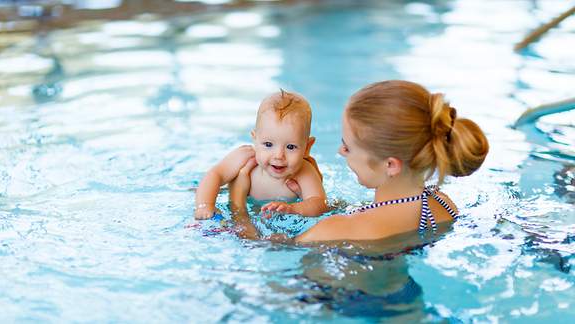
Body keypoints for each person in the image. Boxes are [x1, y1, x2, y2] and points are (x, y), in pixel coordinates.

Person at [229, 80, 489, 242]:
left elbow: (257, 244)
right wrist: (326, 204)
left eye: (348, 147)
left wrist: (238, 201)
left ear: (390, 165)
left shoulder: (334, 231)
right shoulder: (443, 205)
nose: (341, 152)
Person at [194, 90, 328, 220]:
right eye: (268, 144)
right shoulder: (245, 157)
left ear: (307, 147)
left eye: (290, 147)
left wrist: (293, 209)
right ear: (255, 139)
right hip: (243, 210)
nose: (279, 156)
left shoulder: (304, 172)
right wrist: (205, 205)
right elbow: (215, 174)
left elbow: (319, 203)